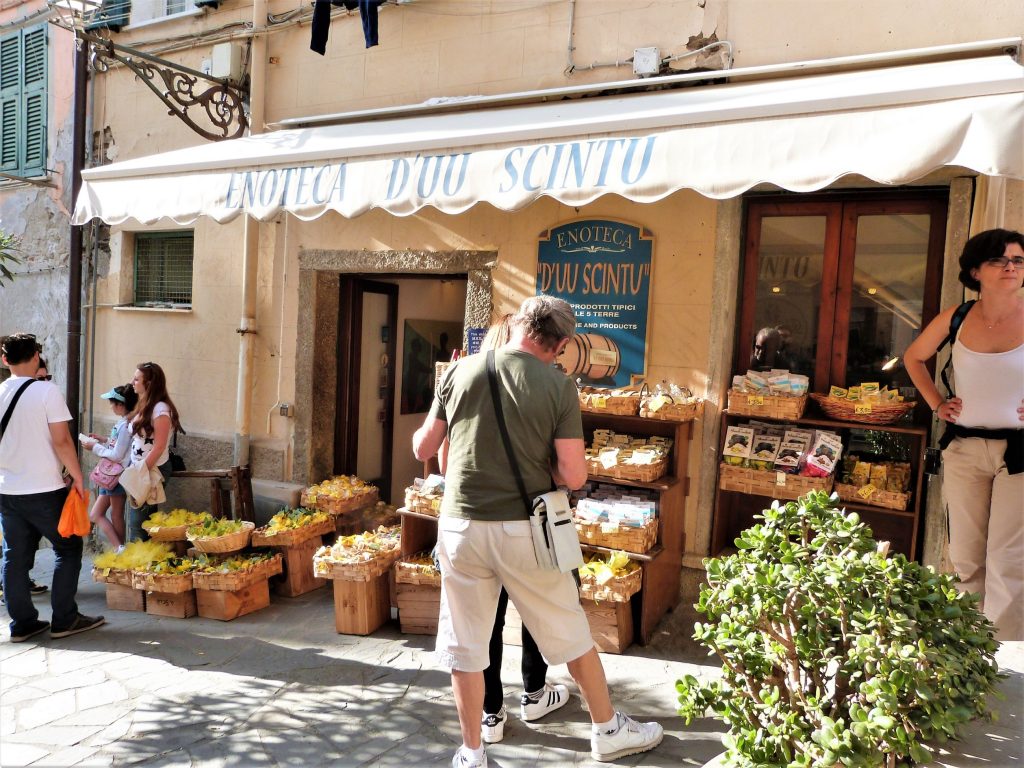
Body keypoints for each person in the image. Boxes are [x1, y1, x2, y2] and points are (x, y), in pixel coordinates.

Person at [413, 296, 663, 768]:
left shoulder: (458, 372)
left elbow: (424, 446)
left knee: (465, 644)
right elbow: (573, 475)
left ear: (518, 326)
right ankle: (607, 729)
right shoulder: (558, 386)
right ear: (563, 343)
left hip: (461, 526)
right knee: (568, 631)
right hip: (525, 527)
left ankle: (471, 751)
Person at [445, 314, 569, 744]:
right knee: (542, 607)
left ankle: (490, 715)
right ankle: (535, 691)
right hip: (528, 520)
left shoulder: (466, 379)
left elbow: (441, 459)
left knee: (483, 625)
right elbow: (566, 469)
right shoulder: (544, 385)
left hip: (471, 521)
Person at [904, 228, 1024, 641]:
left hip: (1020, 453)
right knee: (965, 555)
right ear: (976, 270)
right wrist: (938, 403)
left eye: (1018, 260)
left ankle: (1005, 655)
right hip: (965, 448)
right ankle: (967, 645)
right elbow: (914, 357)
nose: (1011, 267)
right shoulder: (956, 316)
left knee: (1008, 557)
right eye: (999, 260)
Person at [0, 333, 104, 642]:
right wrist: (78, 476)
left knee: (14, 556)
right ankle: (65, 618)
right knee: (68, 547)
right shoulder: (47, 391)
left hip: (7, 489)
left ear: (5, 361)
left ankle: (22, 624)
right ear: (35, 357)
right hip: (45, 487)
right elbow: (61, 440)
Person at [124, 362, 182, 543]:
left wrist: (139, 472)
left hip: (151, 470)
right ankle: (141, 565)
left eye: (136, 379)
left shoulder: (160, 410)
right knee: (139, 521)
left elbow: (159, 447)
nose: (132, 382)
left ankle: (139, 565)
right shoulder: (146, 405)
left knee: (138, 524)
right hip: (140, 469)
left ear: (148, 384)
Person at [80, 384, 138, 549]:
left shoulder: (126, 425)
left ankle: (120, 548)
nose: (111, 406)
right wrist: (103, 440)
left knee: (106, 514)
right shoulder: (123, 422)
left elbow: (118, 455)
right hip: (110, 474)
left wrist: (95, 447)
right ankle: (120, 548)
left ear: (120, 405)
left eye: (112, 403)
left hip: (115, 474)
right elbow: (118, 446)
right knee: (106, 514)